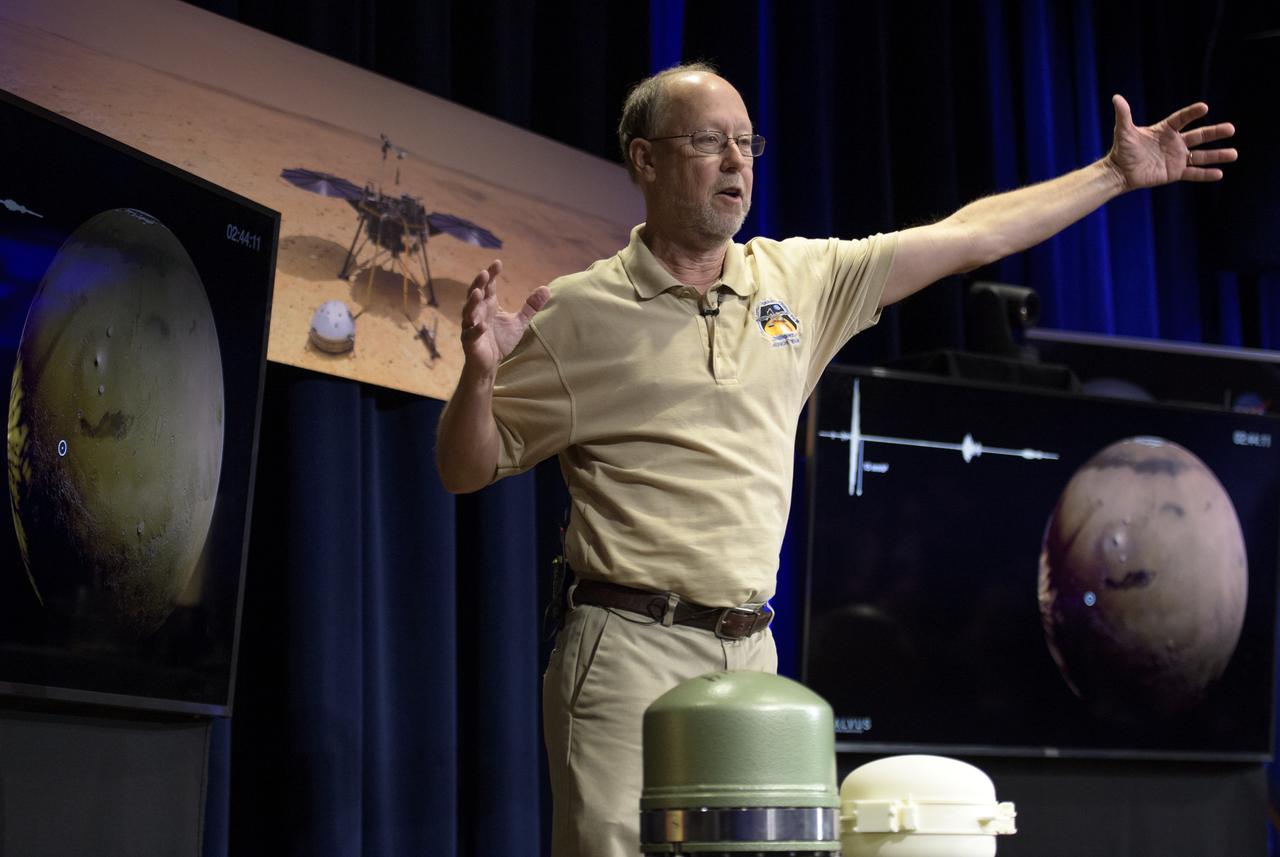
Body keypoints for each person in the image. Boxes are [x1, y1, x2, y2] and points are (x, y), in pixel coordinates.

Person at [435, 62, 1235, 857]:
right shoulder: (580, 311)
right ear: (644, 159)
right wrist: (477, 378)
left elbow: (967, 236)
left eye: (747, 142)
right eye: (709, 141)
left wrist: (1110, 174)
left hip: (753, 652)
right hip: (630, 647)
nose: (736, 161)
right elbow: (466, 467)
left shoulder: (799, 281)